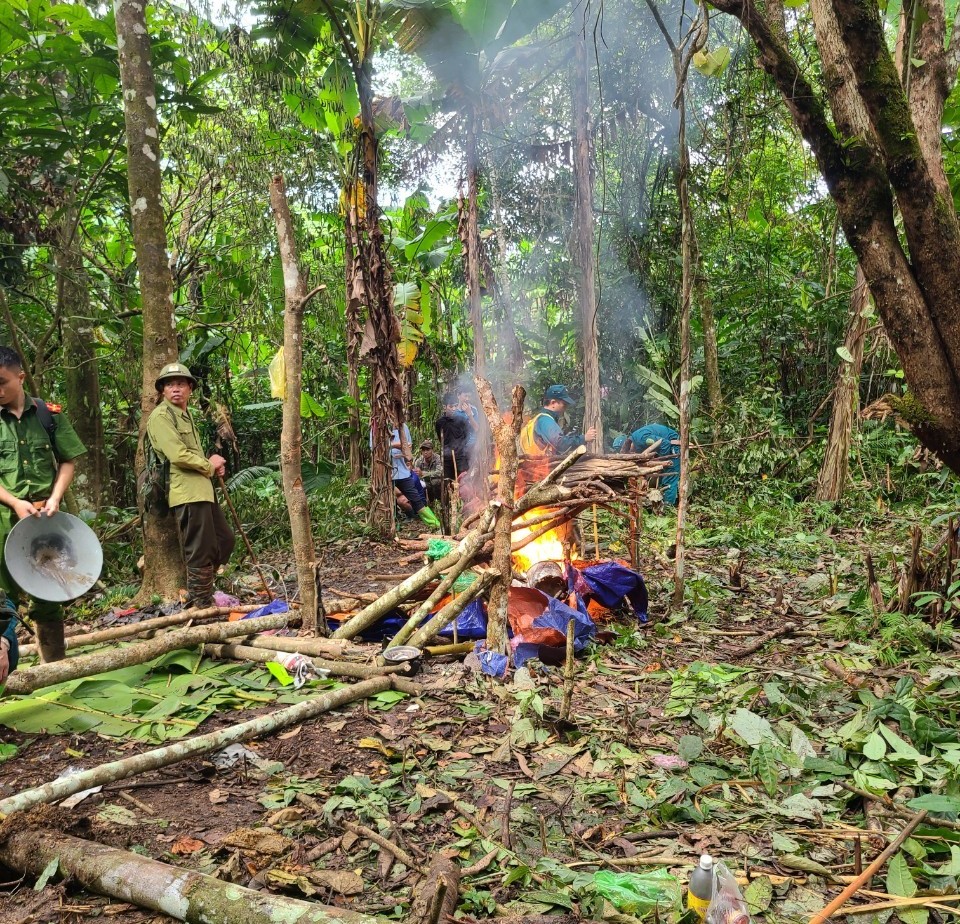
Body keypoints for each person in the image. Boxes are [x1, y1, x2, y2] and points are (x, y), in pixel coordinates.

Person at [0, 345, 87, 663]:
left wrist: (55, 497)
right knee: (1, 596)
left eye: (2, 381)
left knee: (48, 595)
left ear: (20, 377)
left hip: (44, 520)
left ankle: (55, 670)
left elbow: (67, 461)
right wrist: (13, 501)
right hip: (4, 520)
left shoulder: (49, 414)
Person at [146, 362, 236, 609]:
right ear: (163, 390)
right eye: (170, 384)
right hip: (186, 493)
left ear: (190, 389)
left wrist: (213, 466)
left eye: (181, 384)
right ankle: (200, 604)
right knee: (200, 549)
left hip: (202, 491)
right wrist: (210, 464)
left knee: (224, 540)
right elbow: (178, 455)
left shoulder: (186, 416)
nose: (176, 389)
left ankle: (203, 590)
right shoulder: (161, 416)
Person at [374, 423, 441, 529]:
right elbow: (373, 446)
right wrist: (395, 445)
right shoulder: (376, 425)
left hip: (402, 471)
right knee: (384, 500)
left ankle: (435, 525)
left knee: (415, 499)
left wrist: (405, 448)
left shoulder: (403, 426)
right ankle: (384, 528)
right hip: (384, 472)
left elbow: (408, 447)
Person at [519, 384, 597, 458]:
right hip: (542, 467)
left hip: (534, 465)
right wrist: (584, 438)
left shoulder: (539, 418)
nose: (565, 408)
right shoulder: (545, 420)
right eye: (564, 404)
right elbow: (559, 443)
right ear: (553, 403)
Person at [615, 424, 681, 504]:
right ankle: (660, 505)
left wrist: (661, 462)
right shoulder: (636, 441)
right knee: (660, 480)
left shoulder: (642, 439)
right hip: (665, 448)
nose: (632, 453)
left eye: (630, 452)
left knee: (669, 477)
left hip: (672, 447)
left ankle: (668, 507)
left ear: (630, 445)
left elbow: (664, 443)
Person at [435, 393, 472, 479]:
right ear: (445, 407)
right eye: (451, 407)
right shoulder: (440, 423)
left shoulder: (462, 420)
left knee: (463, 481)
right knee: (449, 482)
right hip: (447, 458)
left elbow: (467, 435)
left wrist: (461, 447)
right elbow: (441, 438)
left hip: (460, 457)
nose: (454, 409)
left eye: (455, 406)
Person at [413, 439, 442, 504]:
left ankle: (439, 501)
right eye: (423, 450)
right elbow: (416, 475)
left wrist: (423, 473)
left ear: (432, 450)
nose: (425, 452)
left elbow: (439, 472)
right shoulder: (419, 461)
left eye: (428, 450)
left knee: (435, 482)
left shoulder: (438, 458)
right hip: (425, 483)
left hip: (436, 483)